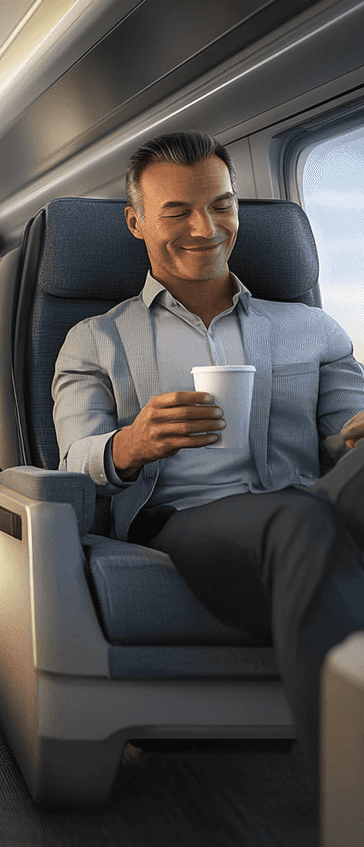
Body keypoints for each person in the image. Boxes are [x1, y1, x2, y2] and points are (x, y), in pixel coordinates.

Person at [52, 129, 364, 777]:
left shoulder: (314, 329)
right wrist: (130, 443)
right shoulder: (95, 340)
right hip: (189, 520)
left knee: (312, 511)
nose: (206, 226)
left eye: (222, 205)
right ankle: (349, 782)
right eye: (177, 212)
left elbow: (347, 437)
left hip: (311, 499)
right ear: (136, 222)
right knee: (301, 521)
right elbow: (72, 461)